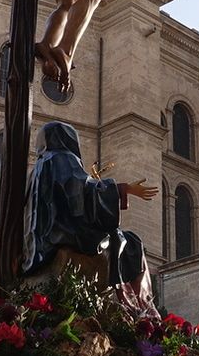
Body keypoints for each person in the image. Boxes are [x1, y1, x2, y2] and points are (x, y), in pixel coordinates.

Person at [23, 121, 155, 311]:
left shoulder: (37, 168)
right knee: (131, 242)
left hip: (41, 242)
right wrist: (122, 189)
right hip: (66, 232)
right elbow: (80, 192)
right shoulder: (64, 158)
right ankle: (137, 303)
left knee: (121, 240)